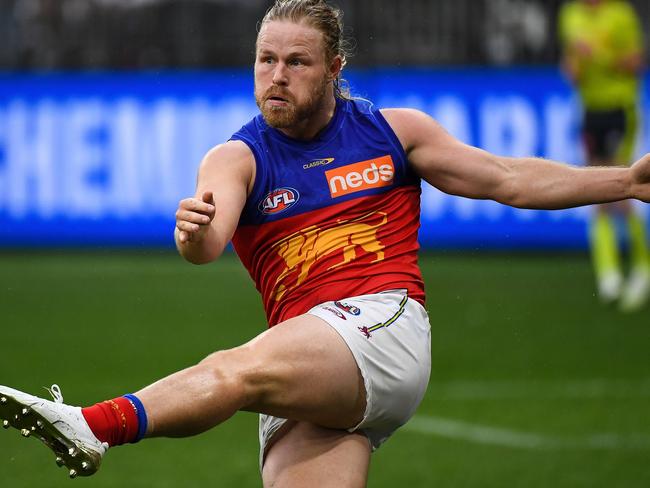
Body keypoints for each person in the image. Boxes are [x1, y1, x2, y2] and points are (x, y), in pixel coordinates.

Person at [2, 0, 650, 485]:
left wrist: (624, 178)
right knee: (249, 374)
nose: (275, 76)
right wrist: (193, 235)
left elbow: (509, 179)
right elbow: (208, 242)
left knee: (235, 369)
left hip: (382, 326)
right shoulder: (236, 158)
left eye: (296, 61)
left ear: (335, 68)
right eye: (265, 59)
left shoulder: (395, 132)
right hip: (316, 368)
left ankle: (95, 425)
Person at [558, 0, 650, 311]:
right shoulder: (570, 14)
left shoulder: (619, 13)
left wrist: (598, 56)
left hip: (619, 108)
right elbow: (571, 65)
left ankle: (642, 267)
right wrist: (574, 67)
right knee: (595, 192)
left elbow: (636, 63)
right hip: (590, 109)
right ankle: (609, 274)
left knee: (624, 189)